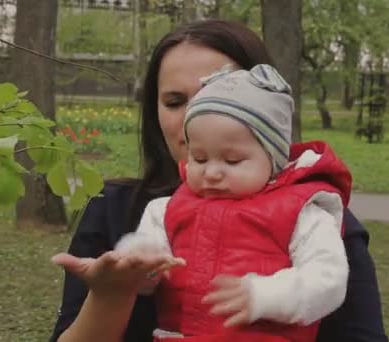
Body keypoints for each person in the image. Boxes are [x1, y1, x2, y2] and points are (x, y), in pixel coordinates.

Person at [49, 19, 388, 342]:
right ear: (153, 111)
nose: (198, 116)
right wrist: (113, 292)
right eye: (174, 101)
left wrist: (265, 297)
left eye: (224, 93)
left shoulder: (315, 216)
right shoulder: (117, 208)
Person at [114, 63, 351, 341]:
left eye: (233, 160)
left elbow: (328, 278)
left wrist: (263, 296)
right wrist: (139, 265)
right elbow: (149, 267)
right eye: (199, 158)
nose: (212, 173)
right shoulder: (165, 209)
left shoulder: (302, 212)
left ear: (274, 161)